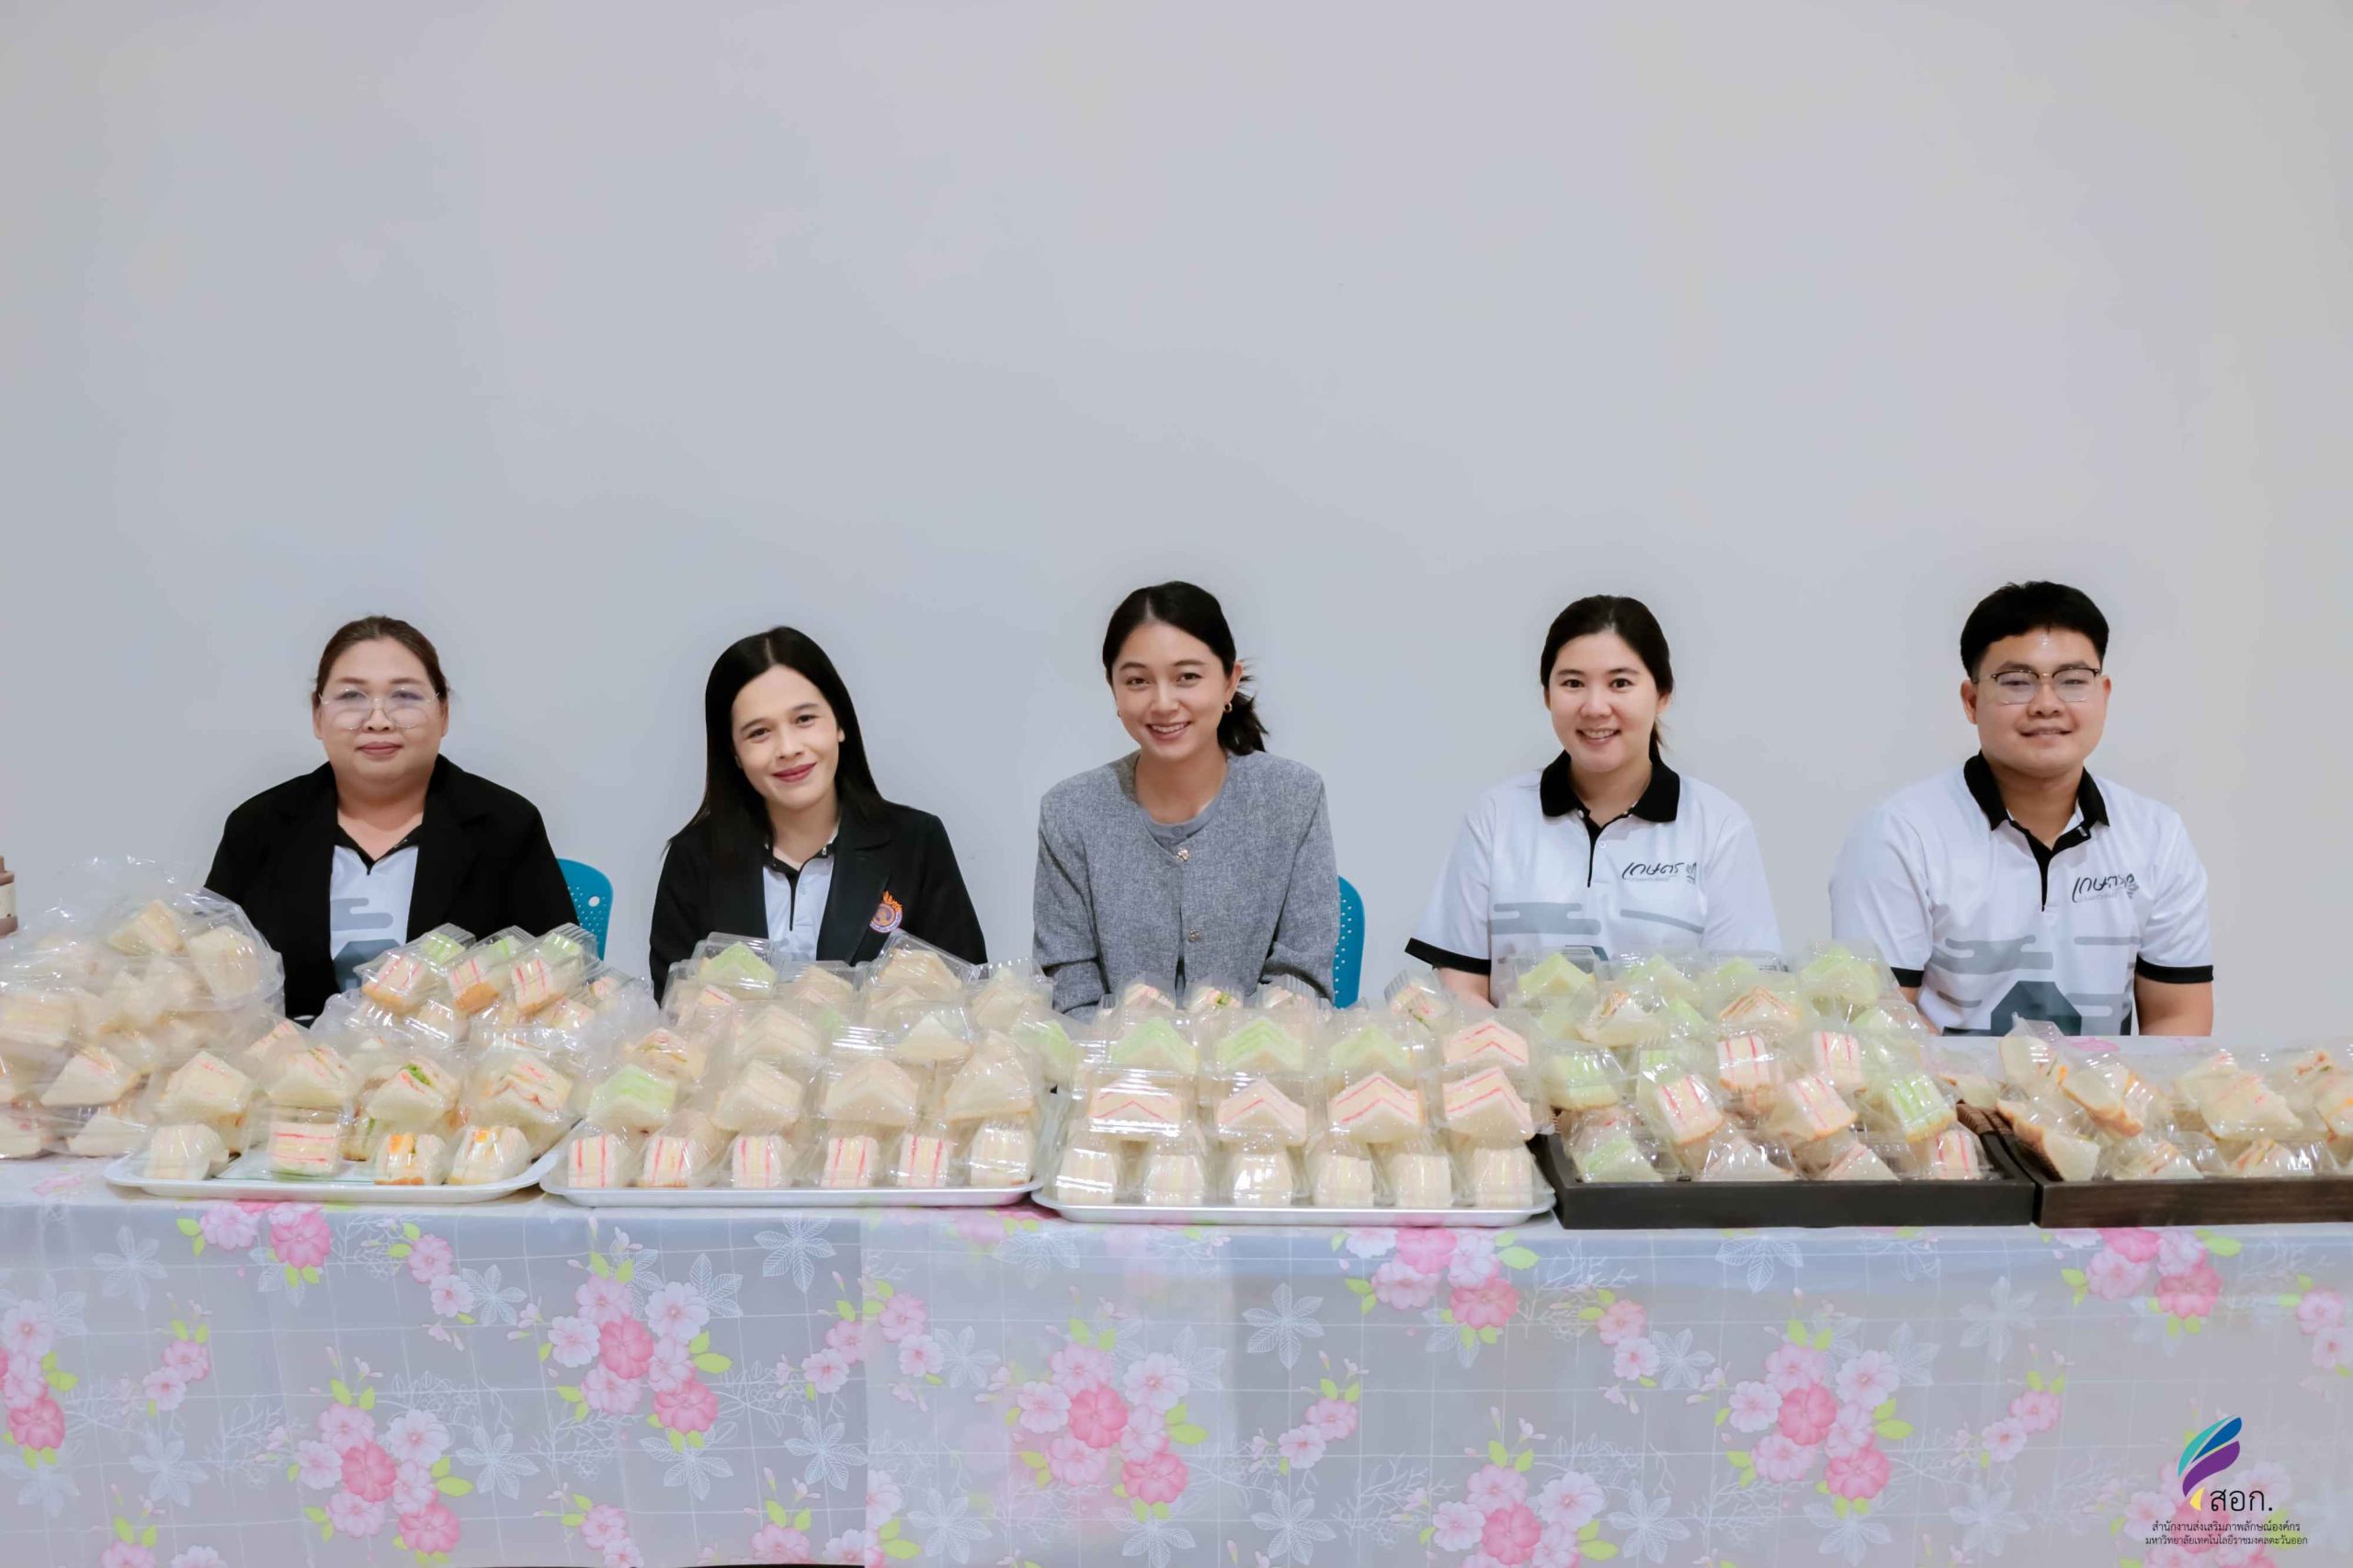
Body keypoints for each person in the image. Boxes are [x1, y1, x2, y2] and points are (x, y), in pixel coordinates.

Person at [1830, 581, 2212, 1036]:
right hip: (1946, 1085)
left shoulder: (2156, 836)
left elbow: (2178, 1016)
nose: (2046, 704)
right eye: (2016, 682)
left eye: (2073, 681)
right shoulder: (1900, 835)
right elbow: (1878, 1022)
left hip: (2102, 1087)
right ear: (1972, 701)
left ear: (2104, 694)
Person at [1408, 595, 1779, 1000]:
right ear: (1547, 696)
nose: (1595, 707)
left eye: (1620, 683)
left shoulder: (1718, 826)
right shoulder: (1496, 816)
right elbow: (1460, 987)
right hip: (1511, 1044)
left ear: (1662, 694)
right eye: (1573, 683)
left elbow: (1744, 996)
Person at [205, 616, 576, 1020]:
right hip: (289, 1058)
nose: (378, 720)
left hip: (453, 1058)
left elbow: (564, 981)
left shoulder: (505, 825)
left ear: (444, 713)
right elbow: (204, 979)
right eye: (351, 696)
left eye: (405, 696)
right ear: (317, 715)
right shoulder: (259, 827)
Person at [1033, 582, 1337, 1014]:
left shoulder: (1292, 797)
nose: (1163, 703)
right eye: (1137, 681)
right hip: (1109, 1057)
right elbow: (1069, 991)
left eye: (1187, 677)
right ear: (1114, 689)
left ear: (1230, 682)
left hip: (1262, 1055)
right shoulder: (1071, 811)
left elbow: (1299, 983)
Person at [649, 627, 983, 994]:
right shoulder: (694, 859)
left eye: (804, 719)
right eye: (759, 732)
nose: (788, 748)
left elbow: (969, 997)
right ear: (734, 754)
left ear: (840, 723)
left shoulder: (916, 843)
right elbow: (673, 1007)